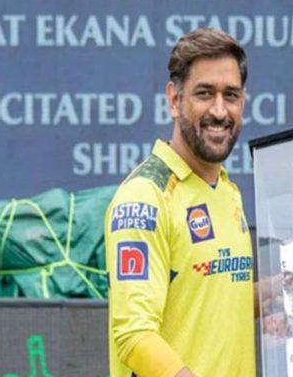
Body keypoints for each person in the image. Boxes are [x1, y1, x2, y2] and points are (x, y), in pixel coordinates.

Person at [105, 28, 254, 377]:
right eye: (205, 93)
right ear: (174, 100)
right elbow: (134, 335)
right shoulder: (145, 196)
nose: (220, 110)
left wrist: (290, 284)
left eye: (231, 95)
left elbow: (214, 300)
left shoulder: (226, 189)